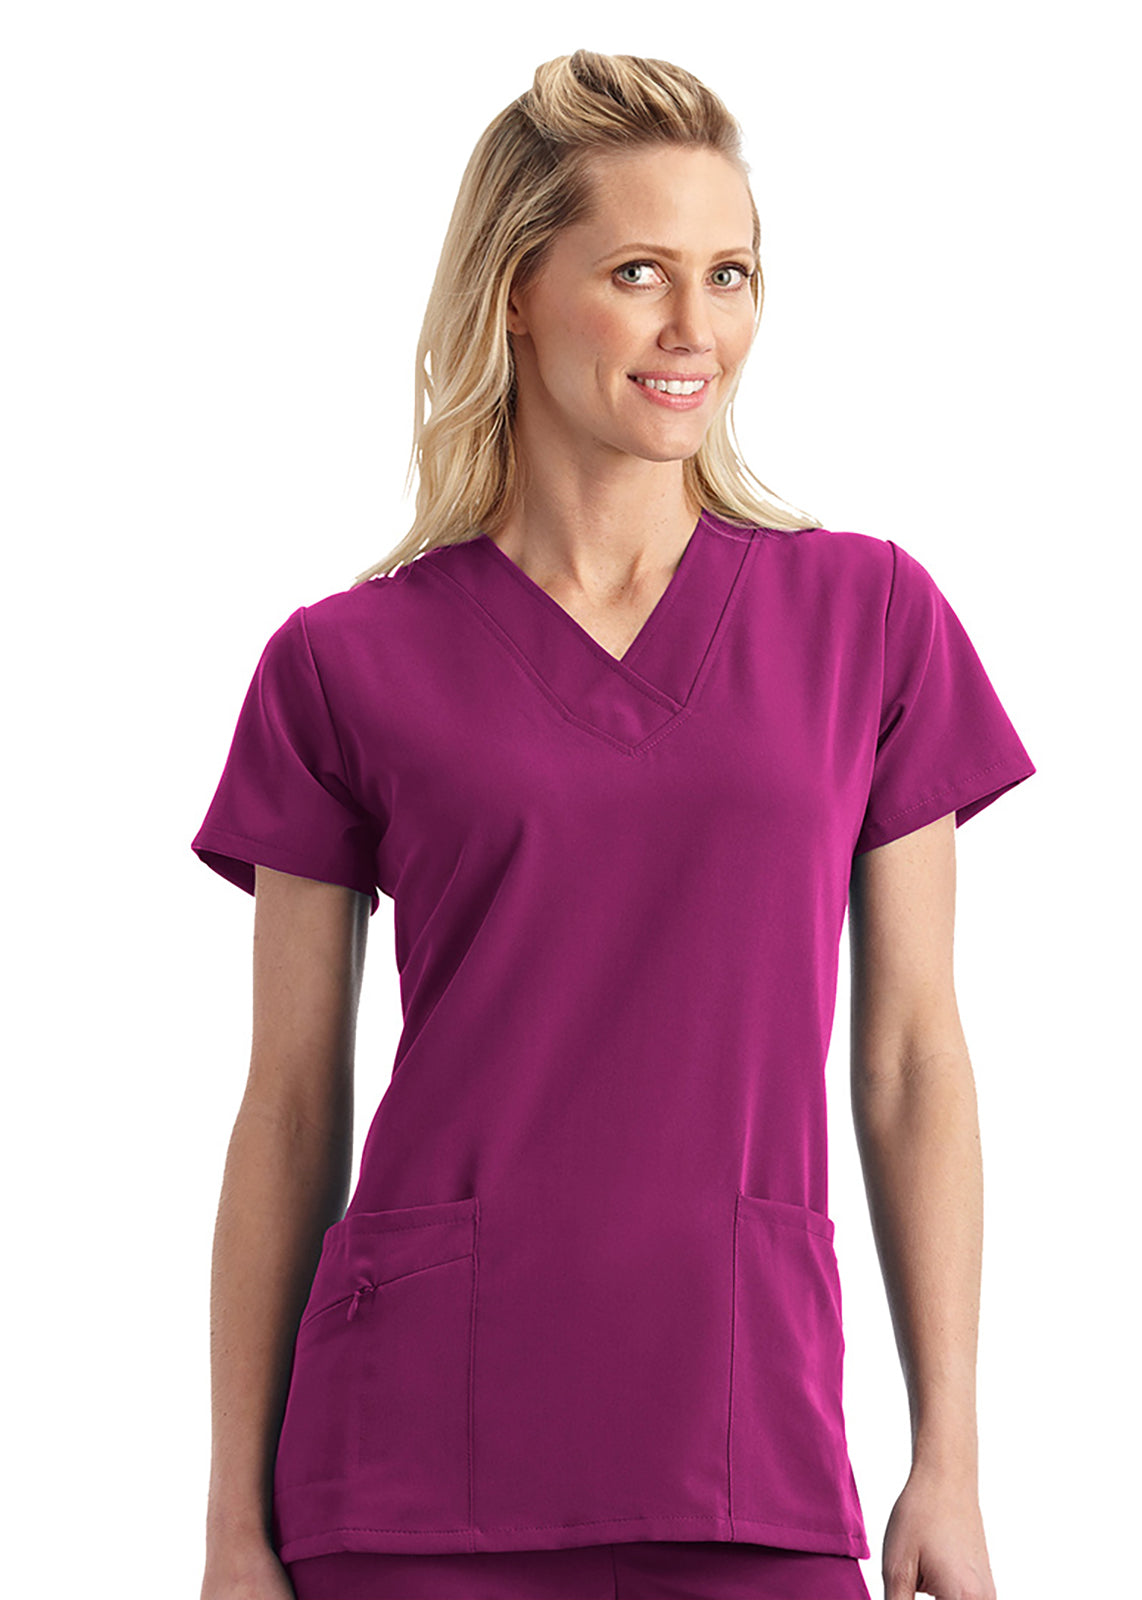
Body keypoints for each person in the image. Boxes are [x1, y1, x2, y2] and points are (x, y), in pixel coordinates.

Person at [194, 49, 1034, 1600]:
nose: (693, 327)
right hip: (409, 1471)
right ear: (517, 292)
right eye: (639, 272)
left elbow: (915, 1056)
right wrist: (232, 1529)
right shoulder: (341, 662)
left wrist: (952, 1460)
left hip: (747, 1443)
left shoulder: (869, 619)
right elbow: (293, 1106)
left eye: (730, 275)